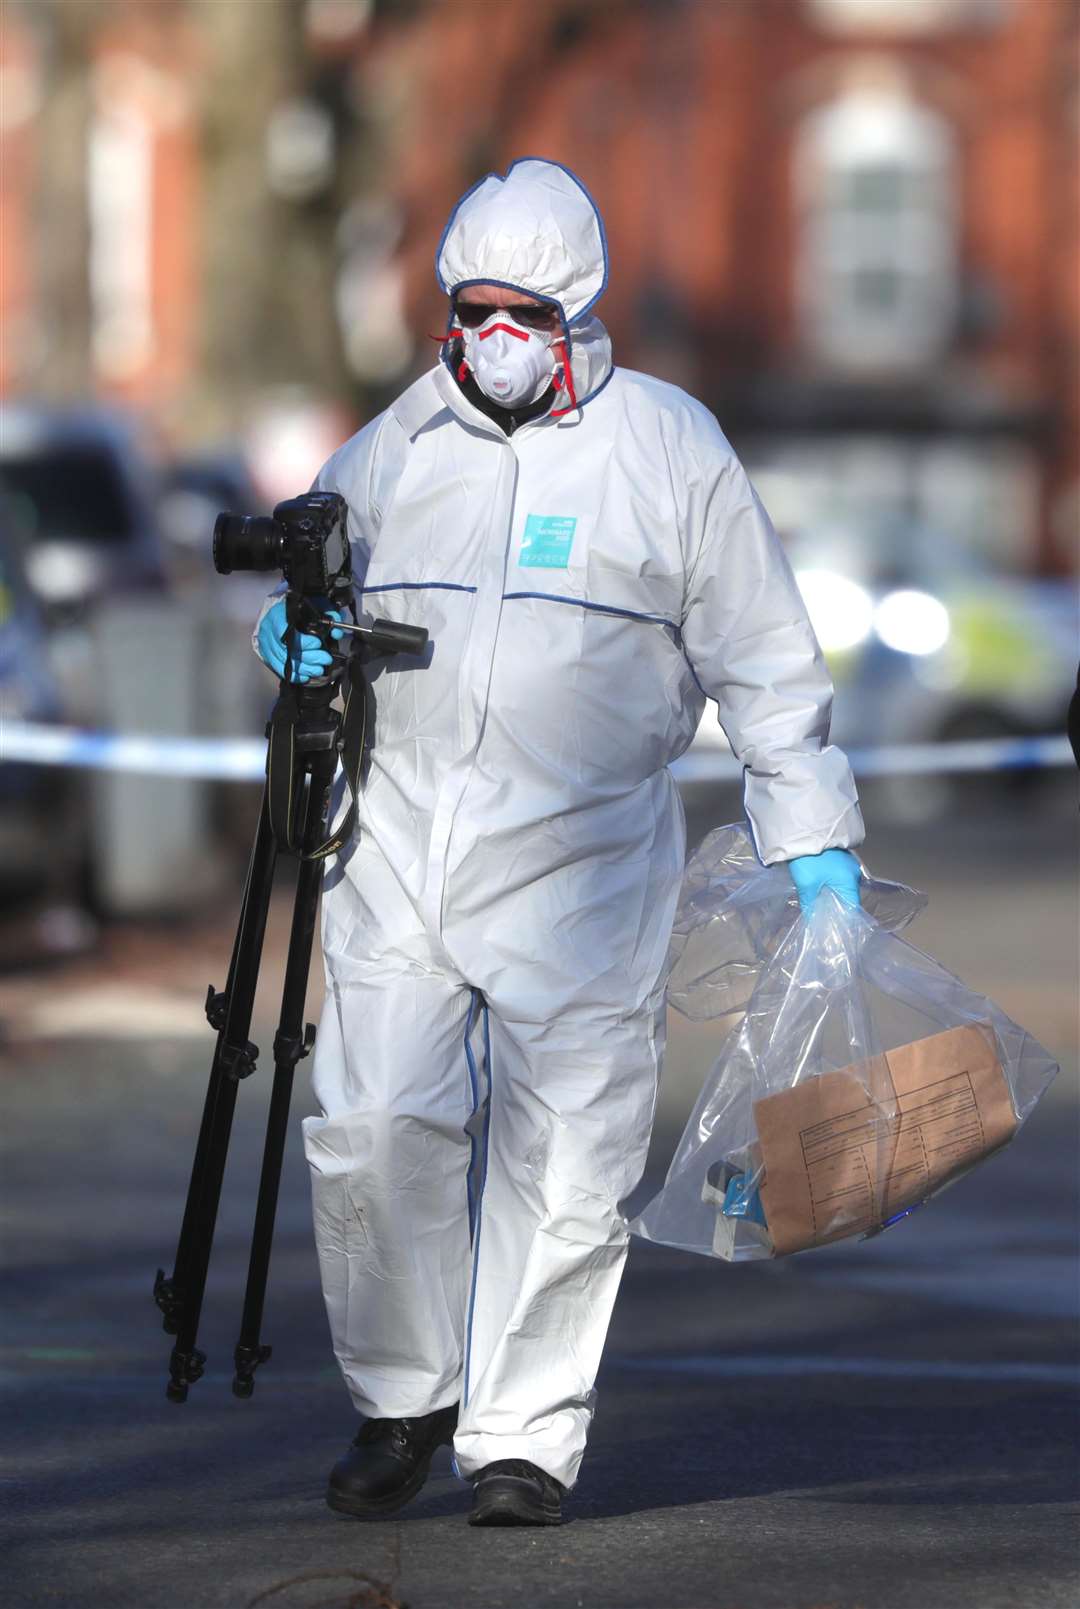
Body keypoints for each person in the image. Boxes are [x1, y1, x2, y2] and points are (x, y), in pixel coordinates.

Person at [253, 157, 864, 1527]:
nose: (493, 338)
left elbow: (764, 660)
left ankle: (521, 1433)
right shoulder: (396, 445)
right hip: (399, 843)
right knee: (371, 1126)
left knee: (567, 1152)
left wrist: (810, 830)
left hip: (586, 863)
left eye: (521, 310)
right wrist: (286, 639)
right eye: (470, 309)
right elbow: (310, 587)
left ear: (577, 311)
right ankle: (402, 1391)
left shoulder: (668, 449)